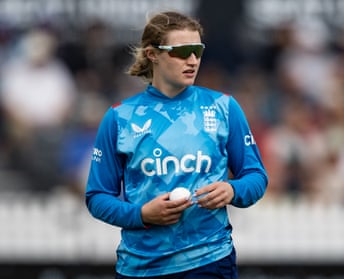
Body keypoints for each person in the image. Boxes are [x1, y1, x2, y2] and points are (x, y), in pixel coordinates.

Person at [85, 11, 268, 279]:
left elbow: (256, 177)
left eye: (197, 51)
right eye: (182, 52)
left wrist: (232, 189)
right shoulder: (120, 117)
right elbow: (97, 197)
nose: (193, 60)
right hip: (140, 267)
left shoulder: (223, 108)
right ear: (152, 54)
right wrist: (142, 214)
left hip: (211, 261)